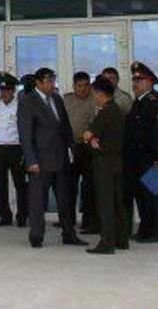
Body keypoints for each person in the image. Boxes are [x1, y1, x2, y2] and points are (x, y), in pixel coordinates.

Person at [16, 67, 86, 248]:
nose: (52, 84)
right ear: (38, 83)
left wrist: (71, 148)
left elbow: (65, 126)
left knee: (65, 199)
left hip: (61, 157)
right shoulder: (28, 101)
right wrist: (31, 160)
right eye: (48, 81)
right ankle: (36, 236)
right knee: (38, 200)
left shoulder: (57, 99)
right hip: (40, 159)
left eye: (53, 80)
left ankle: (68, 234)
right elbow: (25, 134)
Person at [124, 61, 158, 243]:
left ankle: (156, 231)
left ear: (150, 82)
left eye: (140, 80)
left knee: (153, 196)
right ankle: (145, 229)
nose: (136, 84)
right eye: (134, 80)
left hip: (152, 158)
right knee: (142, 197)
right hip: (138, 158)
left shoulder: (155, 101)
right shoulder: (139, 102)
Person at [82, 77, 128, 255]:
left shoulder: (107, 111)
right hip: (115, 162)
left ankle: (107, 242)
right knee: (117, 203)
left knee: (106, 204)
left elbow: (88, 134)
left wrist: (91, 139)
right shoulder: (116, 109)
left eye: (95, 94)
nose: (94, 98)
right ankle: (120, 239)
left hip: (105, 163)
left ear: (101, 94)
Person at [0, 73, 27, 228]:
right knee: (1, 185)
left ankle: (22, 217)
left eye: (7, 89)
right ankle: (5, 216)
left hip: (15, 148)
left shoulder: (20, 106)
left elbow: (25, 129)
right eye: (2, 90)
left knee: (20, 184)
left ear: (13, 90)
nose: (4, 93)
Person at [61, 71, 98, 233]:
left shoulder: (96, 100)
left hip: (87, 147)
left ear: (90, 85)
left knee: (89, 187)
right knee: (68, 186)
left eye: (85, 85)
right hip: (70, 147)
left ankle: (88, 221)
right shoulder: (66, 100)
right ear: (74, 86)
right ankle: (67, 220)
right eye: (79, 86)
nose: (82, 89)